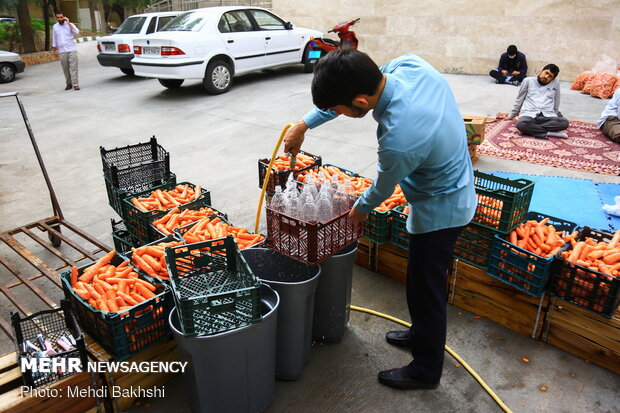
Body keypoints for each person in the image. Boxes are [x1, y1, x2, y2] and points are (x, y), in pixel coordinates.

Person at [283, 49, 477, 390]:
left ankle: (426, 370)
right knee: (419, 281)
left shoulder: (399, 137)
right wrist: (303, 124)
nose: (339, 114)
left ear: (360, 100)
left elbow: (382, 187)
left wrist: (355, 213)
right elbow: (347, 91)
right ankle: (420, 335)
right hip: (441, 183)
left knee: (425, 290)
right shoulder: (409, 65)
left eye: (340, 110)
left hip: (443, 207)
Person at [502, 64, 569, 139]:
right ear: (541, 70)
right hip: (529, 115)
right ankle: (549, 133)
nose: (546, 77)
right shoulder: (528, 81)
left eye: (550, 76)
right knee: (521, 124)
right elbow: (519, 99)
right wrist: (512, 115)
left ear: (552, 79)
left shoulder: (555, 83)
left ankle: (532, 129)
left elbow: (557, 101)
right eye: (546, 73)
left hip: (547, 115)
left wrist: (555, 116)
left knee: (564, 123)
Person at [52, 10, 80, 90]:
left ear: (64, 17)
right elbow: (54, 38)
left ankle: (76, 84)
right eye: (58, 18)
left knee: (73, 67)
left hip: (71, 48)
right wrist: (54, 49)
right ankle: (69, 83)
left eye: (61, 17)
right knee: (65, 68)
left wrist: (68, 23)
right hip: (62, 50)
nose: (60, 19)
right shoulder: (55, 27)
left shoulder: (70, 25)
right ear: (56, 18)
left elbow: (76, 32)